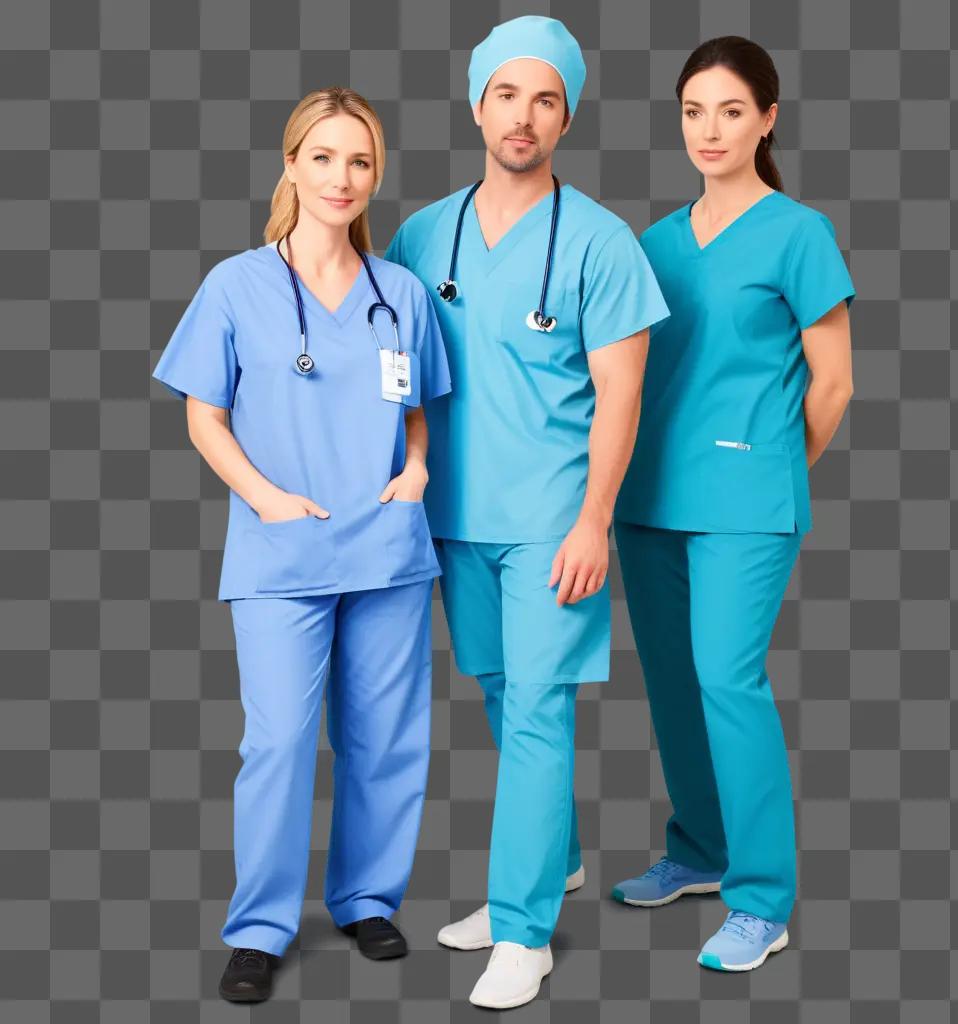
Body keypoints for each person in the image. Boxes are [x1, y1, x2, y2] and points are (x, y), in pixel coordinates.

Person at [385, 14, 670, 1009]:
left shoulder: (599, 239)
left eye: (545, 97)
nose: (524, 114)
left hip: (553, 515)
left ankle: (522, 929)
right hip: (454, 515)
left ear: (567, 117)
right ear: (476, 105)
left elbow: (622, 397)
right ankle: (552, 862)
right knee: (505, 698)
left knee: (542, 711)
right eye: (507, 93)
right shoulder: (424, 233)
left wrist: (594, 518)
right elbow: (396, 376)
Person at [151, 87, 452, 1002]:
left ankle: (365, 900)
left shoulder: (398, 290)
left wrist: (416, 472)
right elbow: (204, 416)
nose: (342, 177)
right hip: (282, 552)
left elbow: (418, 409)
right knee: (279, 742)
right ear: (290, 165)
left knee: (387, 739)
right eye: (322, 157)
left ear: (376, 175)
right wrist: (267, 499)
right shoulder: (237, 284)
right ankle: (260, 927)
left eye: (360, 161)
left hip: (388, 547)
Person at [611, 36, 856, 973]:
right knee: (675, 684)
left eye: (729, 111)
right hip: (648, 499)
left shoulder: (797, 232)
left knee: (728, 678)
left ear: (768, 118)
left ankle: (761, 898)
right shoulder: (655, 244)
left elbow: (832, 383)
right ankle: (701, 853)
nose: (708, 130)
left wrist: (766, 471)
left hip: (746, 500)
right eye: (692, 112)